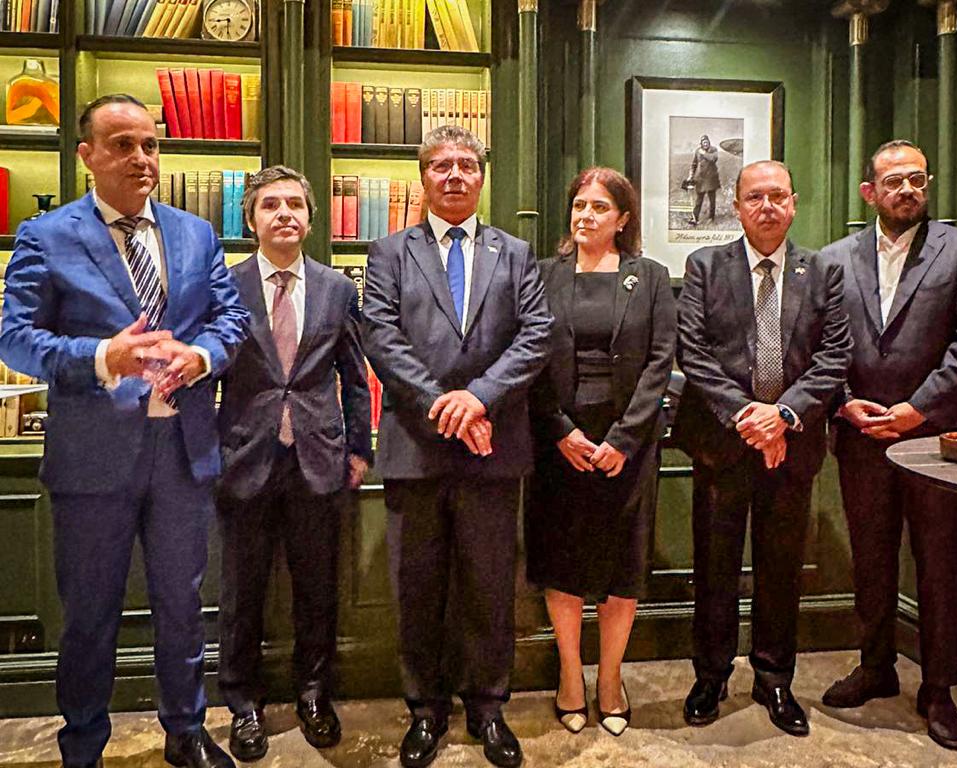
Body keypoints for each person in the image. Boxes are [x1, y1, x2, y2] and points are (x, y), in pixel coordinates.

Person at [0, 94, 249, 768]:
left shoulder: (196, 232)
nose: (141, 158)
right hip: (92, 458)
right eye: (123, 145)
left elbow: (231, 319)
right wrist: (102, 357)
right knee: (89, 616)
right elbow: (15, 339)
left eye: (150, 144)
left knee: (183, 605)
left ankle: (186, 732)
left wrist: (202, 357)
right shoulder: (47, 235)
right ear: (87, 155)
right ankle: (82, 745)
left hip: (183, 452)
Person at [361, 124, 552, 768]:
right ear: (423, 178)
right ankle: (425, 710)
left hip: (493, 448)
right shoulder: (389, 252)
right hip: (415, 448)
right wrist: (445, 404)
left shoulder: (515, 253)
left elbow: (536, 335)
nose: (454, 175)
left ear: (481, 177)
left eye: (466, 164)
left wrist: (479, 399)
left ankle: (488, 707)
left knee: (490, 587)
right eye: (440, 165)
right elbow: (380, 336)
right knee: (417, 589)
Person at [819, 140, 957, 751]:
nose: (907, 190)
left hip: (937, 441)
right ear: (869, 191)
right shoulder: (835, 259)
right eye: (893, 181)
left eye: (916, 179)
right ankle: (876, 666)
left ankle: (940, 688)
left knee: (939, 563)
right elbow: (822, 344)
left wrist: (917, 409)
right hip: (862, 434)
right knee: (870, 557)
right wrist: (844, 400)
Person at [675, 160, 851, 737]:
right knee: (715, 568)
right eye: (755, 197)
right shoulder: (705, 266)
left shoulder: (821, 271)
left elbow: (834, 356)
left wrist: (783, 416)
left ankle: (774, 679)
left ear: (794, 203)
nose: (767, 206)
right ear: (736, 206)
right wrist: (748, 417)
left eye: (777, 196)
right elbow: (693, 351)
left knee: (781, 569)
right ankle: (711, 675)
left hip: (792, 445)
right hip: (721, 444)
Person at [214, 166, 372, 761]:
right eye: (270, 205)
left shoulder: (336, 288)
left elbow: (355, 376)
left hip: (318, 459)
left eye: (295, 205)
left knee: (317, 588)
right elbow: (207, 376)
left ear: (310, 218)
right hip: (244, 459)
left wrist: (359, 449)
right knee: (242, 592)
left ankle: (313, 694)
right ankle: (243, 704)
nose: (284, 214)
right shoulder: (225, 286)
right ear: (251, 220)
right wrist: (207, 452)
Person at [525, 167, 674, 737]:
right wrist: (560, 430)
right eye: (579, 205)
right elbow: (528, 357)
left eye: (599, 207)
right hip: (559, 443)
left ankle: (610, 678)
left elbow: (661, 360)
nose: (586, 215)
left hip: (627, 446)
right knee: (562, 561)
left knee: (621, 566)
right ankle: (570, 675)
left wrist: (624, 439)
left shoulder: (650, 277)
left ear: (623, 218)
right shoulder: (543, 275)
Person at [685, 135, 721, 226]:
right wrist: (691, 175)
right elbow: (694, 164)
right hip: (700, 179)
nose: (705, 144)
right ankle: (695, 218)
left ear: (709, 143)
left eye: (707, 142)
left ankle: (711, 218)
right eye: (704, 143)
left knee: (712, 200)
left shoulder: (714, 150)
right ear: (701, 143)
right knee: (698, 200)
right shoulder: (698, 151)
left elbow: (713, 159)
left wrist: (704, 153)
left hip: (711, 179)